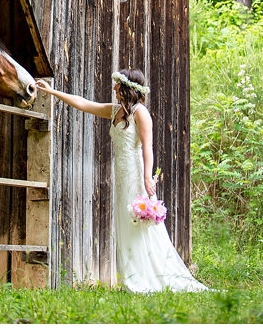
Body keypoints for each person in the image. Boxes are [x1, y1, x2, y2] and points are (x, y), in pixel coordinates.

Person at [36, 70, 206, 293]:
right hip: (121, 174)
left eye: (117, 85)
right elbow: (84, 104)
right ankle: (132, 277)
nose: (114, 88)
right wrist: (52, 92)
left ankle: (149, 278)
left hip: (135, 176)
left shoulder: (140, 113)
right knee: (125, 224)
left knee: (140, 225)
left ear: (127, 88)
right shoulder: (115, 110)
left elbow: (148, 147)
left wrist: (147, 177)